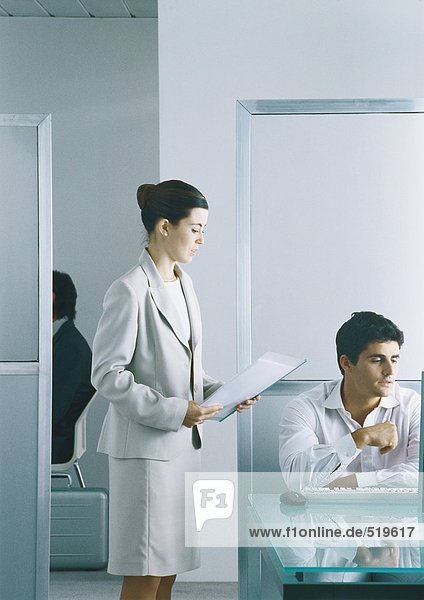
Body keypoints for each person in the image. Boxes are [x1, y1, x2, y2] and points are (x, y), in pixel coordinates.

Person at [91, 180, 257, 600]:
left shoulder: (184, 284)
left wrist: (227, 392)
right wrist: (173, 410)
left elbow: (188, 371)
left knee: (169, 570)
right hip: (146, 453)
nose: (202, 239)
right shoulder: (129, 289)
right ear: (165, 226)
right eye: (196, 227)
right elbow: (107, 374)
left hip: (182, 449)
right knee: (146, 569)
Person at [279, 311, 420, 492]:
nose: (390, 371)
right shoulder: (304, 408)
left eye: (394, 360)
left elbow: (420, 476)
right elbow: (296, 479)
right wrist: (360, 438)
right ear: (346, 363)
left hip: (400, 519)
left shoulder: (414, 406)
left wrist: (346, 484)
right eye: (377, 360)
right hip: (325, 518)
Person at [52, 270, 95, 464]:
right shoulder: (63, 340)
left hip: (55, 444)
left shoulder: (70, 347)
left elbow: (52, 411)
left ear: (50, 297)